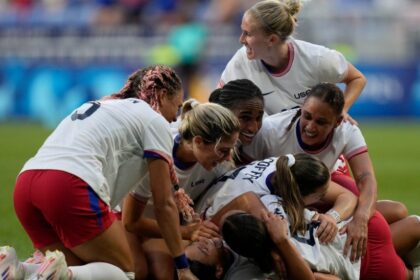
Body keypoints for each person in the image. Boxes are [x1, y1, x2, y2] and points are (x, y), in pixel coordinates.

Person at [10, 65, 198, 280]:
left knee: (82, 268)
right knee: (126, 271)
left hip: (26, 184)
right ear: (163, 95)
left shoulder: (105, 105)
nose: (175, 118)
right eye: (177, 106)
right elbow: (164, 203)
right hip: (67, 183)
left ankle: (19, 269)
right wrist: (182, 267)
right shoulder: (154, 121)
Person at [203, 154, 417, 279]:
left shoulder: (278, 263)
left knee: (407, 271)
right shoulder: (272, 203)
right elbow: (244, 203)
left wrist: (281, 241)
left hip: (361, 259)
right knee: (408, 219)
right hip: (357, 233)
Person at [123, 99, 240, 279]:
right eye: (223, 151)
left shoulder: (219, 162)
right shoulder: (158, 152)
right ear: (198, 141)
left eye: (231, 149)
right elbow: (131, 222)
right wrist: (186, 232)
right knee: (137, 270)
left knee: (165, 275)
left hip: (158, 222)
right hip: (124, 215)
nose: (228, 158)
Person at [219, 0, 366, 124]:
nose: (241, 39)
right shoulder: (241, 59)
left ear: (272, 40)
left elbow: (357, 78)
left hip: (315, 144)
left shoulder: (315, 58)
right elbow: (218, 102)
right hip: (276, 147)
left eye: (248, 34)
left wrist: (341, 111)